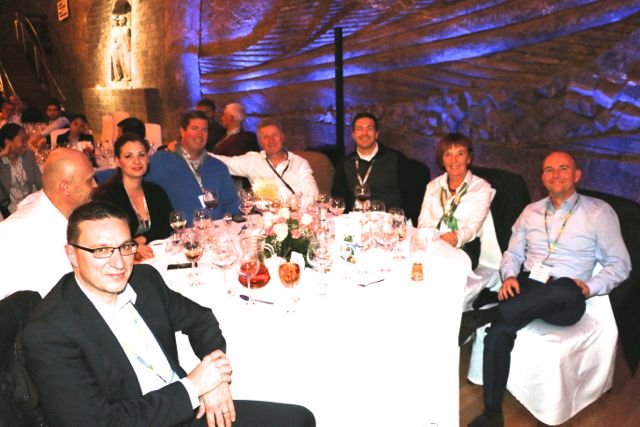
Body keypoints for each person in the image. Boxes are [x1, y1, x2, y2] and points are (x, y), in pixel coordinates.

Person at [21, 200, 316, 427]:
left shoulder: (144, 280)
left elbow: (200, 319)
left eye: (125, 247)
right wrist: (194, 386)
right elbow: (100, 423)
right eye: (101, 250)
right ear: (72, 255)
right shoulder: (49, 332)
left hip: (185, 408)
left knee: (300, 420)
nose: (118, 263)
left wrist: (214, 376)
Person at [465, 151, 631, 427]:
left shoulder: (598, 212)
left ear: (577, 175)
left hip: (567, 298)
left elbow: (620, 264)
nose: (556, 175)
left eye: (563, 168)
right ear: (542, 178)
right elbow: (513, 254)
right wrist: (509, 277)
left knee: (565, 288)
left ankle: (483, 315)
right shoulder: (530, 212)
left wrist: (590, 287)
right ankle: (492, 413)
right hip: (528, 286)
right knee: (498, 333)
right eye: (549, 170)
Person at [0, 148, 96, 298]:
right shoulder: (13, 236)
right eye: (89, 181)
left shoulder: (82, 218)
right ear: (65, 187)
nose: (95, 186)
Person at [145, 110, 240, 224]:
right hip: (182, 231)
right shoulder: (161, 161)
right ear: (182, 131)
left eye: (204, 130)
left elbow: (232, 201)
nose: (200, 135)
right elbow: (137, 187)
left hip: (218, 230)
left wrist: (226, 225)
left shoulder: (218, 166)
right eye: (194, 128)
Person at [92, 134, 174, 261]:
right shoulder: (105, 197)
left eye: (141, 155)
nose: (137, 161)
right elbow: (105, 237)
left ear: (147, 159)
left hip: (157, 256)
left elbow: (168, 226)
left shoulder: (156, 191)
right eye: (128, 156)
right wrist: (131, 246)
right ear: (117, 161)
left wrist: (140, 240)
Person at [417, 133, 492, 269]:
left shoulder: (482, 188)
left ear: (469, 158)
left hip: (464, 246)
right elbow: (424, 220)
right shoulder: (433, 186)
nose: (454, 160)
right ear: (442, 160)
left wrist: (456, 238)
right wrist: (434, 238)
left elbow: (473, 226)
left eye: (460, 154)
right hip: (434, 241)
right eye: (448, 154)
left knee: (439, 267)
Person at [211, 119, 318, 207]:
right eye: (266, 137)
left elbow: (313, 194)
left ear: (282, 137)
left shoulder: (300, 164)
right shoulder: (253, 161)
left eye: (274, 135)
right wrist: (201, 153)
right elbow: (224, 162)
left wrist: (288, 207)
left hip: (298, 217)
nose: (271, 141)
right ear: (260, 142)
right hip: (265, 220)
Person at [332, 112, 415, 214]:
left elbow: (411, 198)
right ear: (353, 135)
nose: (364, 133)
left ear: (376, 134)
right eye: (359, 129)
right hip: (355, 220)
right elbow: (339, 199)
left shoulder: (396, 159)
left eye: (369, 128)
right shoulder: (345, 163)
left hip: (387, 220)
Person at [0, 123, 42, 216]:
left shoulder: (28, 156)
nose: (26, 144)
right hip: (8, 213)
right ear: (8, 142)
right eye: (23, 140)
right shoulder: (1, 162)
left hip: (30, 208)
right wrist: (2, 154)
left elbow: (40, 183)